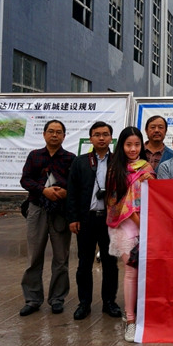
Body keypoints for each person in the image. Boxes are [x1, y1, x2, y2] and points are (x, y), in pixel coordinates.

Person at [19, 120, 76, 316]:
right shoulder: (35, 156)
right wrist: (43, 190)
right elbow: (25, 180)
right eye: (51, 131)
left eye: (58, 132)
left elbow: (76, 183)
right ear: (44, 134)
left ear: (64, 136)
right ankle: (32, 299)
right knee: (34, 256)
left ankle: (57, 298)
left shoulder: (70, 158)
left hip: (60, 212)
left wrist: (66, 192)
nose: (54, 135)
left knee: (61, 258)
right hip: (37, 209)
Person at [66, 121, 121, 321]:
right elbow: (72, 192)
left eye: (105, 134)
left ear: (111, 138)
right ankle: (84, 303)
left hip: (110, 220)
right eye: (97, 134)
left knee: (110, 263)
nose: (101, 138)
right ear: (90, 138)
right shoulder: (80, 162)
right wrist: (73, 218)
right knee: (84, 264)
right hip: (86, 219)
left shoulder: (118, 161)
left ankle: (109, 302)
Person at [105, 127, 156, 342]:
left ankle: (143, 314)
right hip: (124, 225)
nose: (133, 149)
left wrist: (150, 182)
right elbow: (113, 201)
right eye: (128, 145)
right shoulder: (115, 169)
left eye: (136, 145)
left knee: (146, 271)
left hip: (147, 224)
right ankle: (130, 319)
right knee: (131, 270)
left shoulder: (147, 168)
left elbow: (153, 197)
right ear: (122, 146)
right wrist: (136, 219)